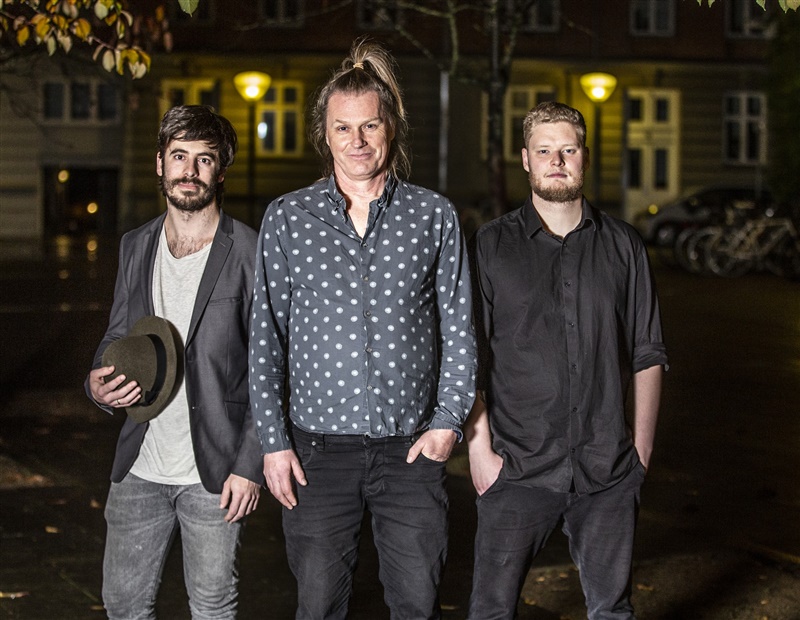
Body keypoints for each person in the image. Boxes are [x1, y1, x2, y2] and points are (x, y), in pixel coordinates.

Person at [249, 38, 476, 620]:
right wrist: (273, 443)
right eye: (343, 128)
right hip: (317, 455)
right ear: (324, 135)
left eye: (369, 126)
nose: (357, 140)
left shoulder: (433, 215)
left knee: (417, 604)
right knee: (319, 605)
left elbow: (459, 329)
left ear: (389, 128)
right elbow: (266, 339)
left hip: (411, 452)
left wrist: (447, 425)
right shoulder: (288, 218)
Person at [466, 101, 668, 620]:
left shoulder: (623, 245)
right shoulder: (490, 245)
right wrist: (479, 451)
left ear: (584, 157)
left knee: (612, 611)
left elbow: (648, 351)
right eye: (544, 151)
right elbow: (472, 356)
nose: (556, 161)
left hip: (608, 470)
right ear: (526, 160)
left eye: (568, 150)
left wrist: (640, 452)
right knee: (491, 610)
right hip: (517, 466)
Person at [85, 105, 263, 619]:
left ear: (220, 170)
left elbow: (272, 370)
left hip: (216, 473)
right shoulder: (135, 245)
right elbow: (118, 333)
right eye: (179, 156)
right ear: (159, 163)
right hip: (139, 464)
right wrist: (98, 384)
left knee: (211, 607)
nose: (190, 170)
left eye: (204, 158)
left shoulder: (252, 252)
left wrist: (250, 466)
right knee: (123, 606)